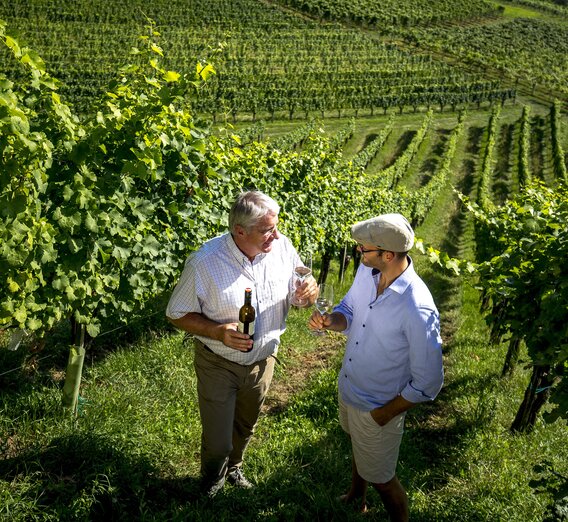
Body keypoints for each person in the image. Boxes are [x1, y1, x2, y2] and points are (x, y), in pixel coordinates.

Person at [166, 190, 318, 498]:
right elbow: (176, 313)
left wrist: (307, 294)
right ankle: (211, 483)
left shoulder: (282, 247)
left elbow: (298, 292)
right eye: (266, 230)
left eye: (276, 227)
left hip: (264, 361)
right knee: (218, 439)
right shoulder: (204, 262)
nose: (276, 236)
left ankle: (234, 467)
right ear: (240, 231)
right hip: (218, 362)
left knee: (246, 425)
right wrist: (218, 331)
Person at [309, 213, 443, 521]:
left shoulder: (417, 308)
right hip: (349, 388)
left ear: (388, 254)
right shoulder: (367, 271)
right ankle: (357, 495)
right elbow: (350, 309)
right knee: (357, 445)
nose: (359, 253)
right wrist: (333, 321)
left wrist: (383, 413)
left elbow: (429, 382)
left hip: (377, 406)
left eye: (363, 249)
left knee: (384, 480)